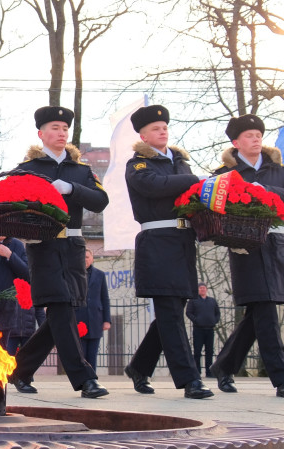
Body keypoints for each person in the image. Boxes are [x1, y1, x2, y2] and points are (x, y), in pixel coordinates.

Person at [8, 106, 109, 398]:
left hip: (74, 246)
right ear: (41, 133)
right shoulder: (27, 169)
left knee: (61, 315)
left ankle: (20, 370)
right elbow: (11, 203)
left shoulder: (82, 170)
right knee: (61, 308)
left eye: (65, 128)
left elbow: (101, 201)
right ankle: (84, 378)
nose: (61, 133)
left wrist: (72, 189)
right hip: (44, 246)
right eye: (55, 127)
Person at [123, 105, 213, 399]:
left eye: (164, 127)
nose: (162, 131)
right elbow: (152, 186)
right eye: (155, 128)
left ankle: (139, 367)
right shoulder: (138, 163)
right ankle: (190, 380)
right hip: (158, 242)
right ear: (143, 136)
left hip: (183, 241)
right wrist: (192, 180)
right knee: (170, 314)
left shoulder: (179, 162)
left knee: (171, 312)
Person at [209, 115, 284, 397]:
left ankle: (224, 366)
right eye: (249, 135)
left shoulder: (278, 170)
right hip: (245, 248)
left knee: (258, 312)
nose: (255, 139)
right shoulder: (224, 174)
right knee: (264, 310)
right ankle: (281, 378)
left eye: (258, 134)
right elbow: (213, 207)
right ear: (235, 142)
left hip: (276, 246)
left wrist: (266, 191)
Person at [75, 249, 111, 370]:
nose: (84, 259)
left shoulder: (100, 275)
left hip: (96, 320)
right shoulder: (74, 275)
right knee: (82, 354)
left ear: (92, 258)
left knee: (92, 354)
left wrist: (107, 320)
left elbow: (104, 298)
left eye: (87, 257)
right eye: (82, 257)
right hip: (79, 319)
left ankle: (93, 379)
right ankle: (84, 379)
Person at [186, 283, 220, 377]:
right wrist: (196, 320)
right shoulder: (193, 301)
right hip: (198, 329)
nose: (202, 289)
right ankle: (197, 371)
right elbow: (188, 312)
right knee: (197, 351)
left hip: (210, 329)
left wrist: (214, 320)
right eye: (200, 288)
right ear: (198, 290)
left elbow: (217, 313)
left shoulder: (212, 301)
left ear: (206, 289)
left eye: (204, 288)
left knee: (209, 351)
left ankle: (209, 372)